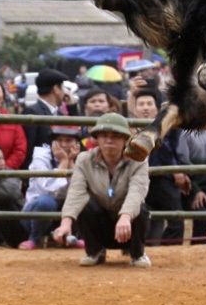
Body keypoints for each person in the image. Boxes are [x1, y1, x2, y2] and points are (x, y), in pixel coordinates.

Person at [53, 113, 151, 267]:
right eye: (104, 135)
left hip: (128, 225)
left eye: (116, 136)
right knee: (85, 206)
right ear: (96, 138)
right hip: (101, 223)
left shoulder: (139, 160)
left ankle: (137, 254)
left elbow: (137, 191)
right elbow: (76, 192)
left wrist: (125, 217)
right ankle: (94, 251)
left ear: (126, 139)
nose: (109, 140)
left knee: (141, 209)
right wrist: (66, 223)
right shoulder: (84, 159)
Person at [132, 89, 185, 245]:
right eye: (141, 104)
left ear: (157, 109)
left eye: (149, 104)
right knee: (139, 216)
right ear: (135, 110)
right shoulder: (129, 128)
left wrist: (176, 170)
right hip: (136, 179)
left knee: (177, 218)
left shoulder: (166, 129)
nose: (145, 107)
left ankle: (169, 250)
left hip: (163, 177)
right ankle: (141, 249)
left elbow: (172, 151)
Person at [19, 125, 82, 250]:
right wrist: (63, 162)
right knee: (46, 201)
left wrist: (70, 162)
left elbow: (80, 188)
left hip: (67, 214)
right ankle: (34, 239)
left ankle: (78, 237)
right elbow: (49, 189)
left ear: (76, 143)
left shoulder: (82, 157)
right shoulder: (40, 155)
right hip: (35, 215)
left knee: (84, 199)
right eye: (59, 140)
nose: (63, 145)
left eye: (68, 141)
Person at [176, 129, 206, 245]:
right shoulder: (185, 135)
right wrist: (195, 191)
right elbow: (184, 164)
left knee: (205, 224)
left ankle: (201, 250)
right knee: (202, 219)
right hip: (192, 191)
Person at [21, 68, 72, 168]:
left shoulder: (59, 113)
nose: (64, 92)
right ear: (56, 89)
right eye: (62, 88)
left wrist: (72, 107)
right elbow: (28, 148)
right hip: (38, 173)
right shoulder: (32, 112)